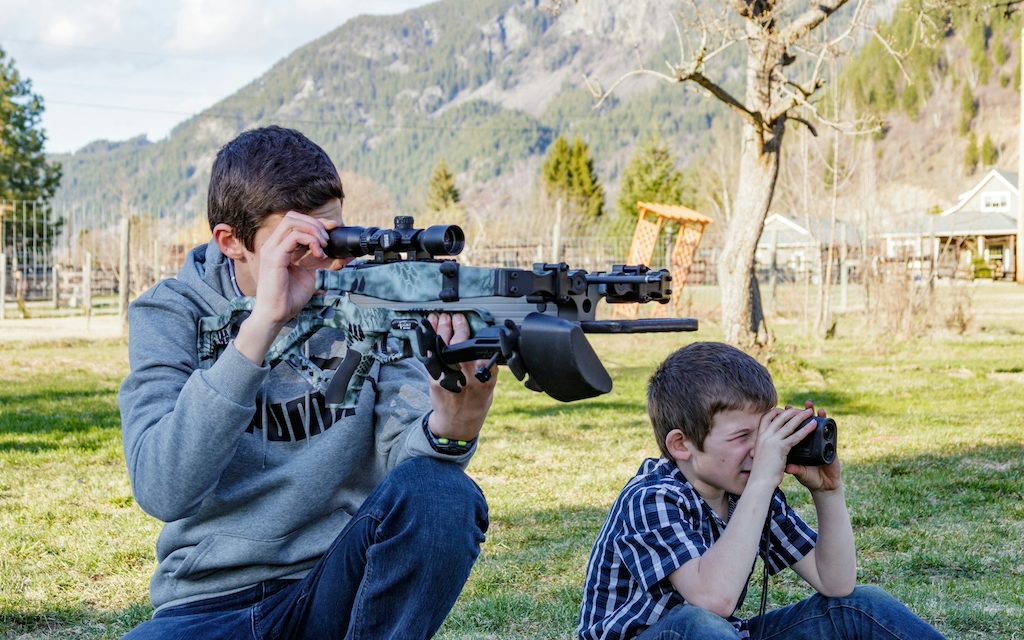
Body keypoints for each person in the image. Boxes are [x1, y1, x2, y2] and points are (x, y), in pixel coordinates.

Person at [118, 125, 497, 639]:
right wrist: (262, 326)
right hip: (210, 605)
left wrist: (454, 425)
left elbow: (409, 482)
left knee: (444, 493)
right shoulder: (170, 312)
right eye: (298, 245)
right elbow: (163, 488)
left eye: (334, 236)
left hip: (338, 584)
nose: (327, 261)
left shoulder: (370, 302)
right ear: (231, 242)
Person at [577, 342, 945, 640]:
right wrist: (763, 482)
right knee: (698, 623)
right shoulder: (652, 497)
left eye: (765, 432)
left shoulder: (747, 492)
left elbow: (835, 582)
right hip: (661, 635)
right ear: (682, 445)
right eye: (742, 436)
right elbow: (713, 599)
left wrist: (829, 493)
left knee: (861, 604)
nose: (761, 450)